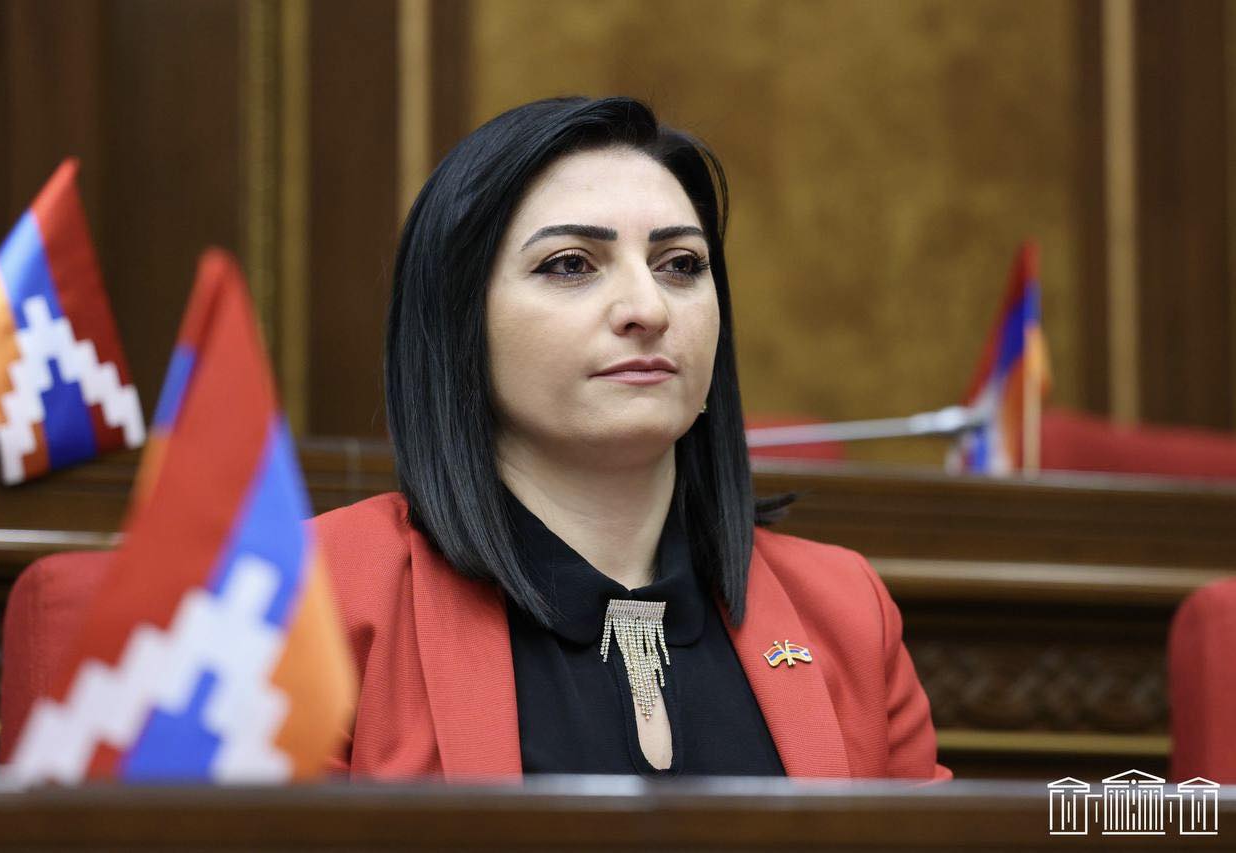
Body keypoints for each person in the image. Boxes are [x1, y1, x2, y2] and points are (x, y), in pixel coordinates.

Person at [316, 96, 950, 781]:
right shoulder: (319, 591)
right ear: (457, 317)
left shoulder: (845, 608)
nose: (648, 309)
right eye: (570, 264)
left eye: (680, 264)